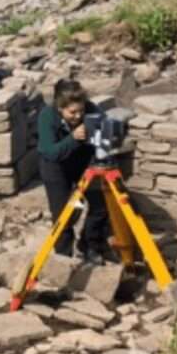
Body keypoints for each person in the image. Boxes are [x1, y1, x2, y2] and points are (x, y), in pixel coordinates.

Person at [37, 79, 109, 264]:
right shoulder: (47, 116)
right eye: (72, 112)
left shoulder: (92, 111)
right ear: (60, 108)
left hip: (83, 162)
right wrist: (73, 138)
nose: (78, 116)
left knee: (100, 205)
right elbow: (50, 152)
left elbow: (104, 133)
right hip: (55, 167)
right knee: (65, 214)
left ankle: (89, 245)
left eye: (81, 110)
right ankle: (63, 259)